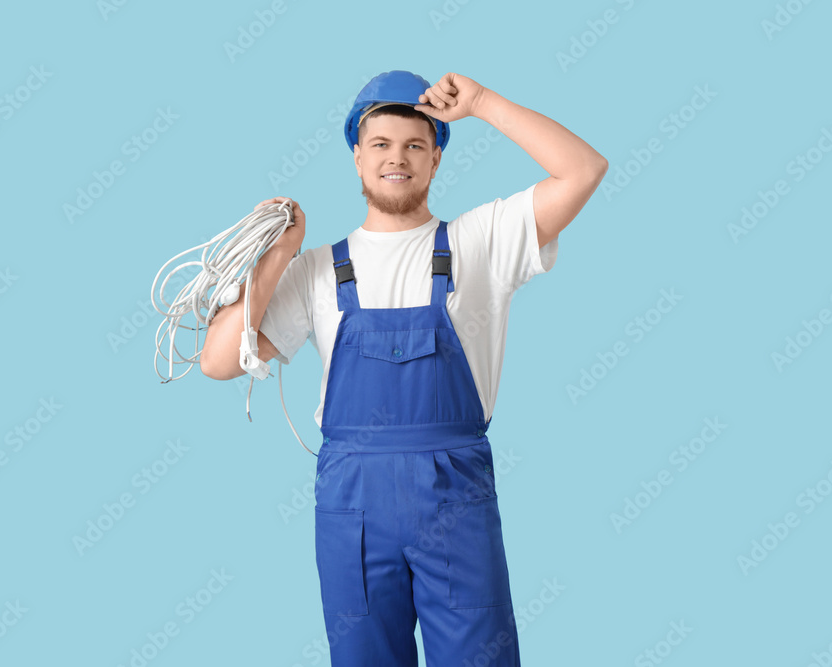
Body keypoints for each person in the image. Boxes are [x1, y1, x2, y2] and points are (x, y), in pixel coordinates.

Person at [200, 70, 607, 666]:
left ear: (436, 159)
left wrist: (483, 103)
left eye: (415, 145)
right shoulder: (314, 268)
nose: (398, 158)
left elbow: (583, 170)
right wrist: (281, 249)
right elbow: (216, 361)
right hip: (353, 500)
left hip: (453, 497)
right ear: (358, 159)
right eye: (382, 145)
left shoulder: (480, 242)